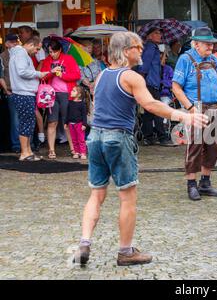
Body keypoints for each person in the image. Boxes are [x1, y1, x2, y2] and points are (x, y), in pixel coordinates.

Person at [74, 31, 208, 266]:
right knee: (127, 197)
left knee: (96, 194)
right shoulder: (131, 77)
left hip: (95, 137)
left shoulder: (103, 75)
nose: (141, 50)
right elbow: (150, 104)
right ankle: (126, 252)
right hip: (118, 138)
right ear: (126, 51)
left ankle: (84, 243)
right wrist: (182, 116)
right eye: (138, 46)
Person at [172, 27, 217, 201]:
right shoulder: (185, 59)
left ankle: (205, 183)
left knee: (213, 146)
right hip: (196, 108)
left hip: (216, 108)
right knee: (194, 147)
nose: (210, 47)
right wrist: (190, 108)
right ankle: (191, 184)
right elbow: (176, 87)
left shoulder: (213, 59)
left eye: (212, 43)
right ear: (195, 44)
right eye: (206, 44)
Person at [9, 36, 48, 161]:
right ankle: (25, 153)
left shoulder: (19, 53)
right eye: (37, 49)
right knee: (26, 122)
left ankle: (28, 151)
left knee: (28, 122)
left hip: (24, 92)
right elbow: (22, 72)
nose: (37, 52)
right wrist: (39, 74)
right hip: (24, 92)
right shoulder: (21, 53)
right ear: (31, 45)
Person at [41, 39, 81, 159]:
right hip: (51, 95)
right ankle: (51, 150)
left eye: (53, 52)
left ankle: (73, 149)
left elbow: (77, 75)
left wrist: (62, 75)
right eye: (49, 52)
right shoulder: (48, 60)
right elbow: (43, 75)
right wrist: (52, 73)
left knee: (67, 122)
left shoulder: (68, 59)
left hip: (66, 94)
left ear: (59, 50)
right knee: (52, 122)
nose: (51, 54)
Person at [138, 26, 173, 146]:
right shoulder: (151, 47)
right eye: (156, 33)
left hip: (152, 83)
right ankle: (162, 137)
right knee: (157, 110)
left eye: (160, 33)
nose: (160, 35)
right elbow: (145, 65)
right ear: (149, 36)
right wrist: (141, 80)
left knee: (149, 111)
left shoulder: (153, 47)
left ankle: (148, 137)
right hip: (150, 83)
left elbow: (154, 65)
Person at [0, 34, 21, 153]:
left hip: (23, 90)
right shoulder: (2, 56)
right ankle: (16, 145)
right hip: (11, 90)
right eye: (12, 42)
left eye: (16, 41)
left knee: (24, 118)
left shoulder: (22, 54)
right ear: (6, 43)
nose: (14, 43)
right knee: (15, 119)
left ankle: (28, 144)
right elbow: (1, 75)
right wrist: (6, 90)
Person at [65, 86, 88, 160]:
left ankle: (83, 152)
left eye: (74, 91)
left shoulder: (82, 104)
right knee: (74, 139)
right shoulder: (70, 103)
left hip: (79, 124)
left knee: (81, 139)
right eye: (72, 90)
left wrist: (84, 124)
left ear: (79, 94)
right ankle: (77, 152)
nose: (71, 91)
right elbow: (67, 114)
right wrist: (66, 123)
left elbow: (84, 115)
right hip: (71, 124)